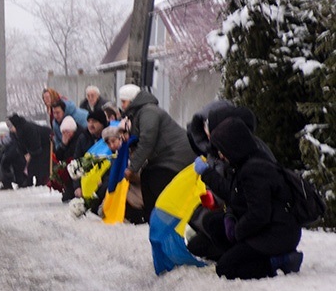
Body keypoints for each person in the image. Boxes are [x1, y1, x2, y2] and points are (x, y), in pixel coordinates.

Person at [199, 117, 303, 279]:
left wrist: (236, 231)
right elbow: (234, 195)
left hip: (277, 233)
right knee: (213, 222)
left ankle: (279, 260)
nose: (220, 155)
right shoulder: (242, 163)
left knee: (226, 269)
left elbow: (259, 214)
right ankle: (243, 255)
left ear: (232, 146)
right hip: (265, 226)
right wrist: (229, 218)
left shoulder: (254, 170)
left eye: (222, 150)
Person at [120, 84, 196, 223]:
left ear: (131, 100)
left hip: (176, 157)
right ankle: (154, 220)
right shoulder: (143, 112)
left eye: (123, 101)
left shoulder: (148, 112)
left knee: (155, 179)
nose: (122, 106)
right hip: (169, 156)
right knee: (148, 176)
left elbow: (147, 141)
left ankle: (159, 220)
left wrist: (132, 168)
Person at [7, 113, 51, 186]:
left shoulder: (28, 128)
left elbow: (36, 144)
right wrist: (24, 154)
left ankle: (41, 181)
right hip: (32, 147)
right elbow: (19, 146)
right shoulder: (14, 133)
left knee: (39, 162)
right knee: (27, 163)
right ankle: (27, 181)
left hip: (46, 141)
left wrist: (30, 154)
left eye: (11, 126)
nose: (11, 129)